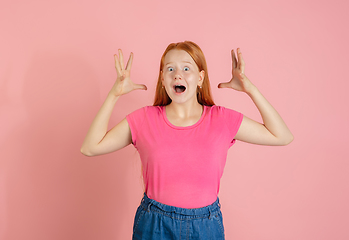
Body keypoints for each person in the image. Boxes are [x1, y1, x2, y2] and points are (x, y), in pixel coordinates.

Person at [81, 41, 293, 239]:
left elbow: (282, 136)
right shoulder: (144, 119)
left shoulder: (221, 119)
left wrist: (250, 89)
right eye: (170, 69)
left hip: (206, 225)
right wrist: (114, 94)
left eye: (186, 68)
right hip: (154, 225)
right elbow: (90, 147)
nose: (177, 75)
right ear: (162, 79)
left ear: (200, 78)